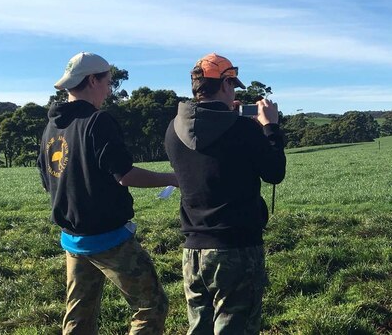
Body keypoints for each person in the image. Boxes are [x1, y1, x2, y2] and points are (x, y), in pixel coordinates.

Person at [37, 52, 178, 334]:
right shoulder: (98, 121)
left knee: (80, 314)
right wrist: (176, 178)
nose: (109, 90)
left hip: (73, 238)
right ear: (92, 80)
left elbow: (47, 180)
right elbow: (125, 175)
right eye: (108, 83)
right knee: (152, 306)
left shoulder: (52, 126)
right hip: (108, 238)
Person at [164, 52, 286, 334]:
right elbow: (274, 172)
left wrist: (228, 118)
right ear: (225, 84)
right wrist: (270, 127)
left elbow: (209, 157)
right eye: (232, 84)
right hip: (237, 247)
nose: (233, 90)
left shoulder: (173, 129)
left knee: (199, 328)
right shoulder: (243, 128)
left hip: (193, 249)